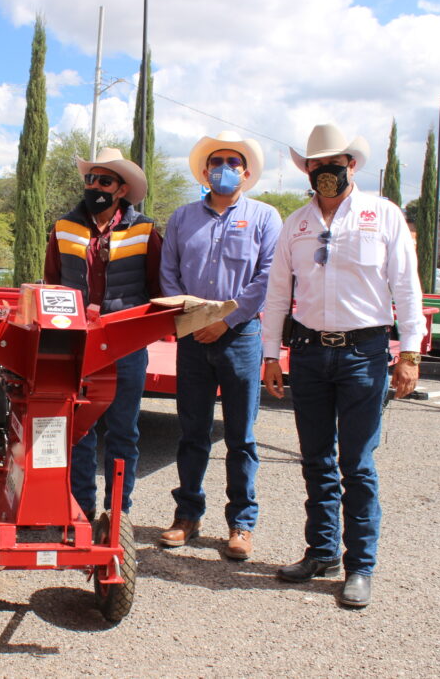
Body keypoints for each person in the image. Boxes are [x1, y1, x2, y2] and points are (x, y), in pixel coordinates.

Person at [261, 123, 424, 607]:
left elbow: (406, 287)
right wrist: (272, 353)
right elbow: (276, 295)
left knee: (356, 463)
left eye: (332, 161)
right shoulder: (296, 223)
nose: (323, 170)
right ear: (307, 170)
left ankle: (360, 567)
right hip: (309, 353)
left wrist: (410, 353)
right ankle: (322, 552)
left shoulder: (383, 215)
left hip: (364, 354)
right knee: (315, 461)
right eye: (314, 163)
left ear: (351, 164)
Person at [157, 131, 283, 560]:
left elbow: (267, 278)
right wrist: (194, 322)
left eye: (233, 162)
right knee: (191, 433)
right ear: (205, 171)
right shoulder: (182, 218)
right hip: (193, 340)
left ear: (246, 173)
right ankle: (187, 514)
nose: (224, 168)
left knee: (240, 437)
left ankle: (241, 524)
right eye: (217, 161)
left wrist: (225, 320)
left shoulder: (266, 218)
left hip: (241, 338)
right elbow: (168, 273)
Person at [43, 147, 162, 520]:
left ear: (122, 189)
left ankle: (117, 513)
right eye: (90, 179)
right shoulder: (64, 227)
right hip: (77, 344)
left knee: (123, 431)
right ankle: (81, 508)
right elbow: (53, 282)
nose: (94, 186)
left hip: (125, 344)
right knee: (80, 431)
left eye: (104, 181)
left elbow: (156, 287)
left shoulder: (144, 230)